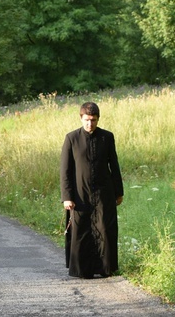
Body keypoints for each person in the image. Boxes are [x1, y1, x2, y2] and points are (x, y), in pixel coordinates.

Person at [60, 102, 124, 279]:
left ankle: (105, 268)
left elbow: (114, 166)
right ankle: (82, 269)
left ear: (98, 119)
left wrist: (119, 192)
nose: (90, 124)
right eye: (87, 120)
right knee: (81, 230)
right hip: (80, 194)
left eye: (93, 120)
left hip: (104, 193)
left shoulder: (107, 137)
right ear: (81, 118)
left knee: (104, 227)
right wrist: (67, 197)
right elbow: (65, 170)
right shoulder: (71, 138)